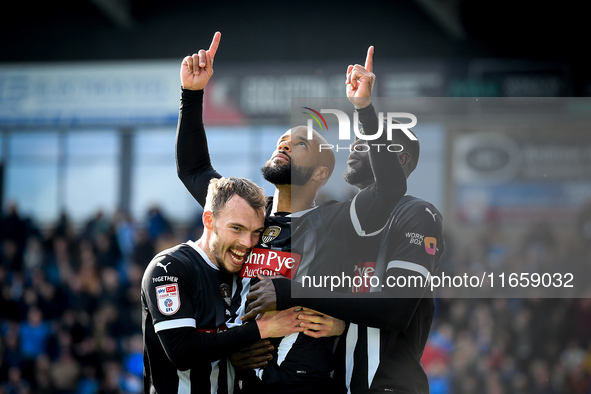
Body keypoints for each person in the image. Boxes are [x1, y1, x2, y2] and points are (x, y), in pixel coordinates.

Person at [176, 32, 406, 393]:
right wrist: (192, 94)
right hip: (239, 379)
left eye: (301, 144)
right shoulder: (245, 214)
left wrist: (364, 109)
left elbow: (391, 188)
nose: (285, 143)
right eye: (283, 139)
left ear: (320, 173)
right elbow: (192, 170)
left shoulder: (336, 220)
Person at [245, 122, 445, 393]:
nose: (353, 147)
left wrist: (291, 291)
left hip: (388, 387)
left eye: (365, 143)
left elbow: (396, 309)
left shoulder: (418, 214)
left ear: (399, 159)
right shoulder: (338, 222)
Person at [140, 177, 306, 393]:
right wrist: (260, 330)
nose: (247, 243)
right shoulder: (169, 267)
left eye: (256, 231)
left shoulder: (240, 269)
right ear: (209, 220)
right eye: (237, 228)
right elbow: (181, 352)